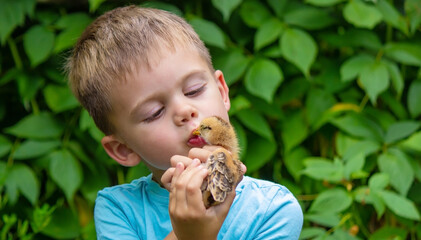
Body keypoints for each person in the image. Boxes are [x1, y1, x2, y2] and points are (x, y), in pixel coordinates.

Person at [66, 5, 303, 240]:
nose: (185, 111)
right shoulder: (118, 210)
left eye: (194, 90)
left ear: (222, 92)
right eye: (154, 112)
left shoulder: (273, 210)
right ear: (124, 149)